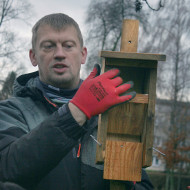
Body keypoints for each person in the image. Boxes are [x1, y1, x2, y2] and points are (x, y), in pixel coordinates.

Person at [0, 13, 153, 190]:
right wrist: (77, 111)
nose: (59, 54)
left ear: (83, 55)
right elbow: (6, 169)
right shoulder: (9, 112)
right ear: (33, 56)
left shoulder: (109, 118)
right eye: (48, 46)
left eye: (68, 46)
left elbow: (143, 185)